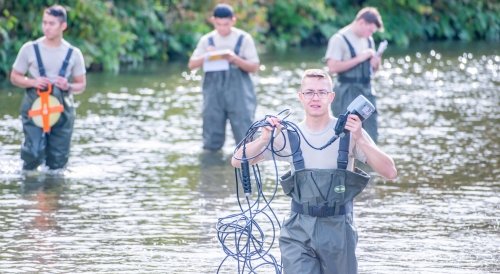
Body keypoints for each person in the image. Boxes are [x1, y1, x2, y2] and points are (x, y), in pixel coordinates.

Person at [231, 69, 397, 273]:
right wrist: (264, 139)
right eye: (309, 92)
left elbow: (390, 172)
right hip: (297, 231)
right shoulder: (288, 134)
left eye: (321, 92)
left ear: (331, 97)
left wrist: (361, 137)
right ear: (300, 97)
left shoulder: (350, 133)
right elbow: (238, 160)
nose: (315, 98)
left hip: (339, 229)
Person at [10, 5, 86, 171]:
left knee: (58, 162)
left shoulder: (74, 53)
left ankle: (54, 192)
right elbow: (14, 77)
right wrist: (32, 82)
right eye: (44, 22)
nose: (46, 27)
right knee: (34, 152)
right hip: (34, 104)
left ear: (63, 26)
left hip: (62, 107)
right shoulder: (29, 49)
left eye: (51, 23)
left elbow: (81, 85)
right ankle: (29, 188)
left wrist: (69, 85)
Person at [188, 3, 260, 151]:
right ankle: (212, 170)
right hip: (214, 94)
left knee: (245, 136)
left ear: (233, 20)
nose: (222, 28)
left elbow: (254, 67)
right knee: (211, 138)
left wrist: (234, 59)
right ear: (213, 20)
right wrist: (207, 56)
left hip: (239, 94)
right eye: (218, 24)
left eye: (225, 24)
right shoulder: (206, 40)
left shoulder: (244, 38)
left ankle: (245, 167)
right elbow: (192, 65)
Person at [324, 7, 384, 143]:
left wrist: (375, 64)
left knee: (371, 135)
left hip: (367, 91)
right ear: (362, 22)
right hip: (346, 91)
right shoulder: (339, 39)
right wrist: (360, 58)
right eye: (369, 30)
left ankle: (368, 164)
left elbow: (373, 71)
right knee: (346, 135)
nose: (370, 34)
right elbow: (332, 67)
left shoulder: (369, 40)